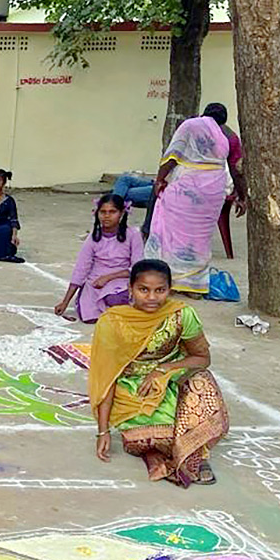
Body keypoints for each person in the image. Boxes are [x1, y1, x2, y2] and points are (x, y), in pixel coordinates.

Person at [90, 259, 229, 488]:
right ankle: (180, 451)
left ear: (170, 290)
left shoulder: (182, 315)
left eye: (160, 290)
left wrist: (163, 370)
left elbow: (203, 359)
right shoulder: (113, 322)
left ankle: (194, 456)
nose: (152, 297)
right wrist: (103, 431)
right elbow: (107, 377)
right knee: (147, 439)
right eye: (144, 290)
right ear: (130, 289)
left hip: (171, 381)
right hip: (132, 393)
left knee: (203, 381)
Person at [144, 107, 236, 296]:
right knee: (199, 239)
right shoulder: (226, 136)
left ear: (204, 114)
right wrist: (242, 197)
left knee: (172, 233)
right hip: (213, 192)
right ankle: (194, 285)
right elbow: (237, 170)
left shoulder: (191, 126)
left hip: (188, 189)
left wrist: (160, 179)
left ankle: (170, 279)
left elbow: (172, 156)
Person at [55, 194, 144, 323]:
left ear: (122, 213)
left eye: (112, 212)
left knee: (115, 299)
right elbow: (81, 269)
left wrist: (108, 277)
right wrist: (65, 302)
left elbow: (137, 268)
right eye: (103, 212)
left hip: (121, 280)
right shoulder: (93, 237)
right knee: (90, 318)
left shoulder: (133, 235)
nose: (106, 216)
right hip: (95, 283)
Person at [206, 102, 248, 259]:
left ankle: (146, 232)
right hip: (219, 189)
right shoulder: (231, 137)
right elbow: (236, 170)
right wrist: (241, 197)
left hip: (198, 189)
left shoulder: (195, 131)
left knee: (155, 193)